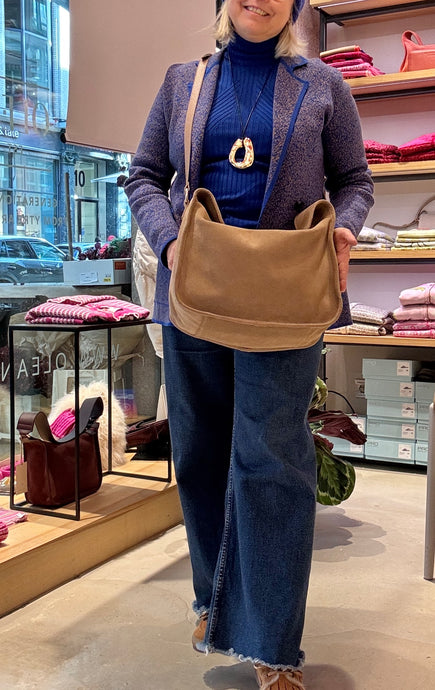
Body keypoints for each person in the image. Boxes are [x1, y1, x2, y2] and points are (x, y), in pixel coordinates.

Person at [125, 2, 374, 688]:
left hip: (283, 298)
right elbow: (143, 175)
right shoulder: (184, 81)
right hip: (194, 296)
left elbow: (355, 180)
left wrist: (345, 229)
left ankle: (271, 643)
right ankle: (213, 600)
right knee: (200, 453)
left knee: (272, 461)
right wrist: (169, 243)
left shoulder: (322, 84)